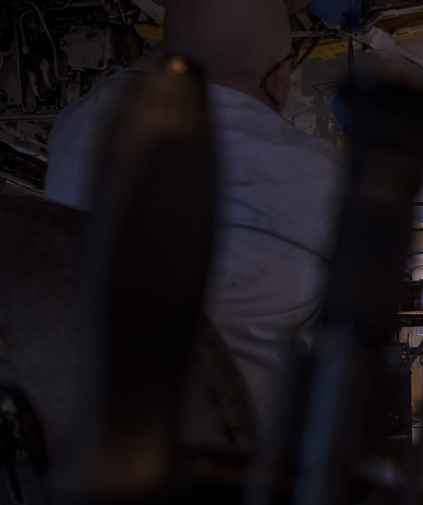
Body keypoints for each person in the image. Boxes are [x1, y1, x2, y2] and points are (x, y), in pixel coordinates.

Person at [43, 0, 346, 430]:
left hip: (75, 446)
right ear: (279, 82)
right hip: (237, 467)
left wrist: (204, 25)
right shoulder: (325, 178)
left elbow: (161, 63)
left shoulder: (80, 127)